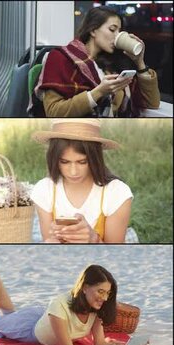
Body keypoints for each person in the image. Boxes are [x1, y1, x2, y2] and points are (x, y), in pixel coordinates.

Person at [0, 246, 140, 345]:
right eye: (100, 291)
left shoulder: (96, 309)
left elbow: (100, 344)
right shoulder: (61, 303)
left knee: (8, 314)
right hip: (30, 329)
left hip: (44, 318)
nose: (104, 297)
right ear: (85, 287)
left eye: (108, 293)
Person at [32, 6, 160, 117]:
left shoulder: (112, 66)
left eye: (119, 31)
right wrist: (99, 92)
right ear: (93, 30)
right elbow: (53, 112)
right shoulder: (60, 58)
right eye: (112, 29)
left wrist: (140, 62)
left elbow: (151, 103)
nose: (117, 36)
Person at [30, 119, 132, 243]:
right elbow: (48, 239)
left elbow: (115, 252)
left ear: (95, 159)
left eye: (82, 162)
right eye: (65, 162)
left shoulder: (117, 193)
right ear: (54, 159)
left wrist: (93, 238)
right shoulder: (44, 189)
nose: (73, 172)